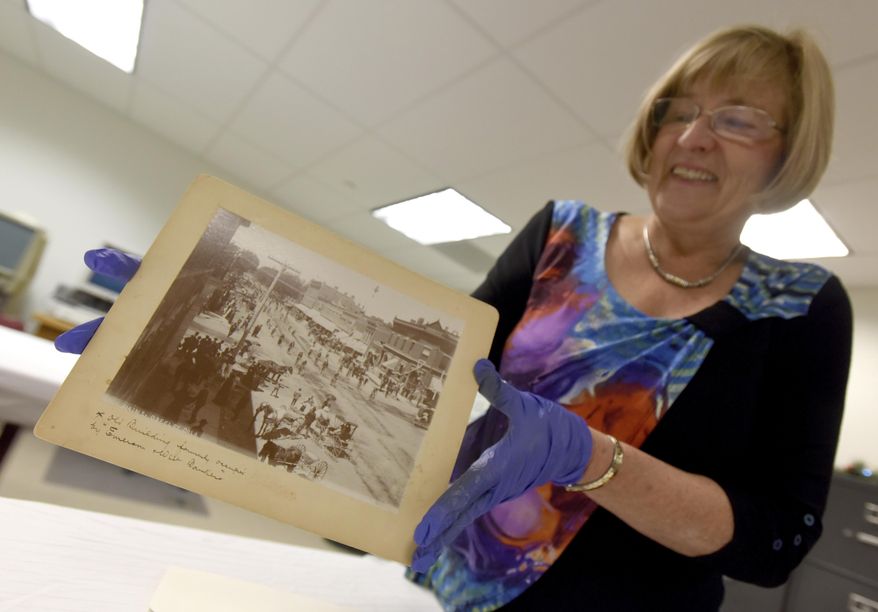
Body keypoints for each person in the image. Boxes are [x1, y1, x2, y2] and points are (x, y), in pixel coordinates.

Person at [53, 24, 851, 612]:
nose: (693, 135)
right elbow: (426, 380)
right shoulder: (559, 236)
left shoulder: (802, 310)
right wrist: (199, 309)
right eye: (678, 110)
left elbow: (775, 542)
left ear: (787, 155)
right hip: (443, 584)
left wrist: (593, 458)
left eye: (739, 118)